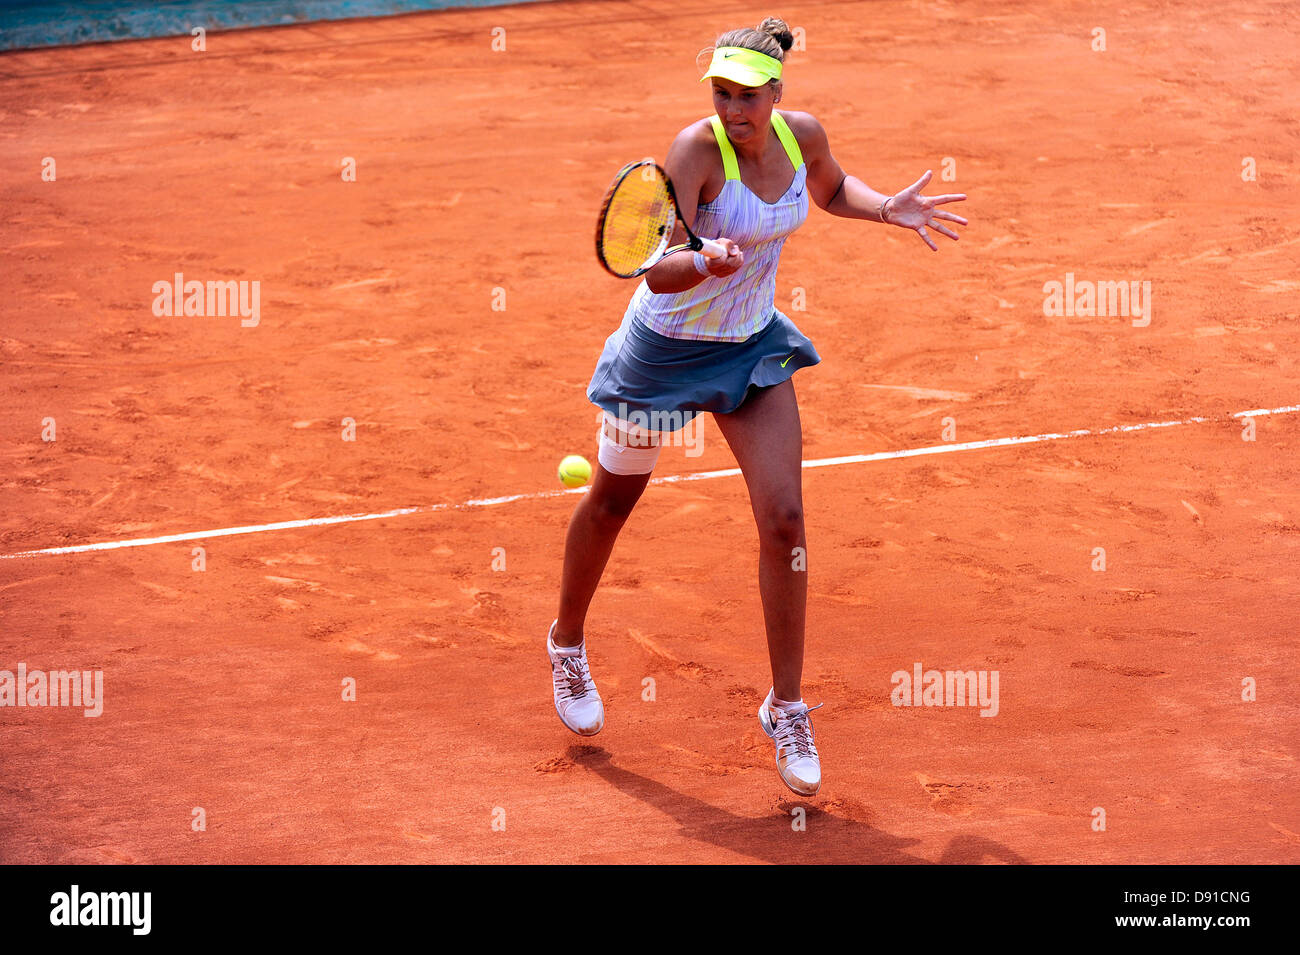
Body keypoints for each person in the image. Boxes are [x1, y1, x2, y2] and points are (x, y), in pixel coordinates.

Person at [548, 16, 967, 796]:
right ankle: (567, 643)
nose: (734, 109)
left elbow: (833, 189)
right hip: (665, 349)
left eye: (748, 96)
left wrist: (885, 209)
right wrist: (701, 259)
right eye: (722, 93)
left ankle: (787, 703)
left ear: (778, 93)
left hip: (751, 347)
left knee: (785, 522)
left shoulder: (802, 135)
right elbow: (655, 270)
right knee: (609, 504)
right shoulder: (694, 151)